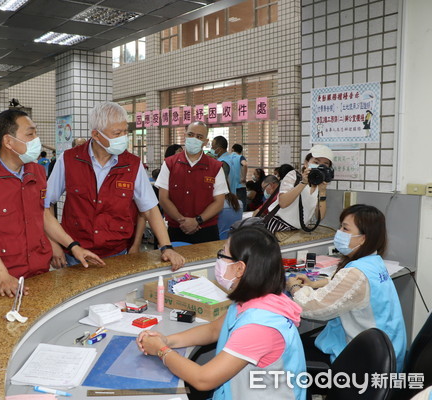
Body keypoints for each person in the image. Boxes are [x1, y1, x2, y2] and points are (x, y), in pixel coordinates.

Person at [137, 226, 306, 400]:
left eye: (223, 254)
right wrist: (167, 340)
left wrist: (161, 350)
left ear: (240, 269)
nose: (219, 260)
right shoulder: (256, 300)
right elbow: (214, 329)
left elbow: (203, 379)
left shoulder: (260, 326)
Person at [0, 109, 103, 300]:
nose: (36, 139)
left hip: (38, 274)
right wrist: (1, 274)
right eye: (30, 134)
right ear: (8, 141)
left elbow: (43, 215)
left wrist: (74, 246)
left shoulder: (36, 171)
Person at [45, 102, 185, 270]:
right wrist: (53, 244)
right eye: (117, 133)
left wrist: (166, 247)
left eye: (126, 131)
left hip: (116, 254)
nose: (123, 137)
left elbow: (149, 208)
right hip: (75, 253)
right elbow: (46, 204)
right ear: (96, 135)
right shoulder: (69, 159)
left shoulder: (132, 164)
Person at [287, 204, 407, 372]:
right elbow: (349, 287)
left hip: (367, 362)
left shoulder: (355, 273)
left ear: (363, 238)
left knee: (289, 350)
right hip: (389, 351)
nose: (339, 232)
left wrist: (294, 287)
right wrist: (315, 284)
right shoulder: (375, 263)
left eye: (345, 228)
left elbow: (310, 307)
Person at [156, 121, 228, 244]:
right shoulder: (169, 163)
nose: (194, 139)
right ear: (185, 136)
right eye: (190, 134)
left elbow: (219, 202)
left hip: (207, 231)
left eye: (199, 137)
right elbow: (163, 198)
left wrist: (197, 221)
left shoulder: (215, 166)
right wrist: (183, 221)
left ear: (205, 141)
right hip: (176, 230)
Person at [265, 145, 333, 232]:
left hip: (297, 230)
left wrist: (322, 192)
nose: (320, 166)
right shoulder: (293, 176)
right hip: (278, 226)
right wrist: (303, 182)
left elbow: (320, 216)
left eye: (325, 164)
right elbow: (283, 203)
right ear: (306, 163)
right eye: (316, 162)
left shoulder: (320, 184)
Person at [231, 144, 248, 210]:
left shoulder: (228, 158)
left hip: (231, 187)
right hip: (240, 186)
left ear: (232, 149)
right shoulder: (240, 157)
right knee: (242, 207)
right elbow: (245, 164)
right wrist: (243, 177)